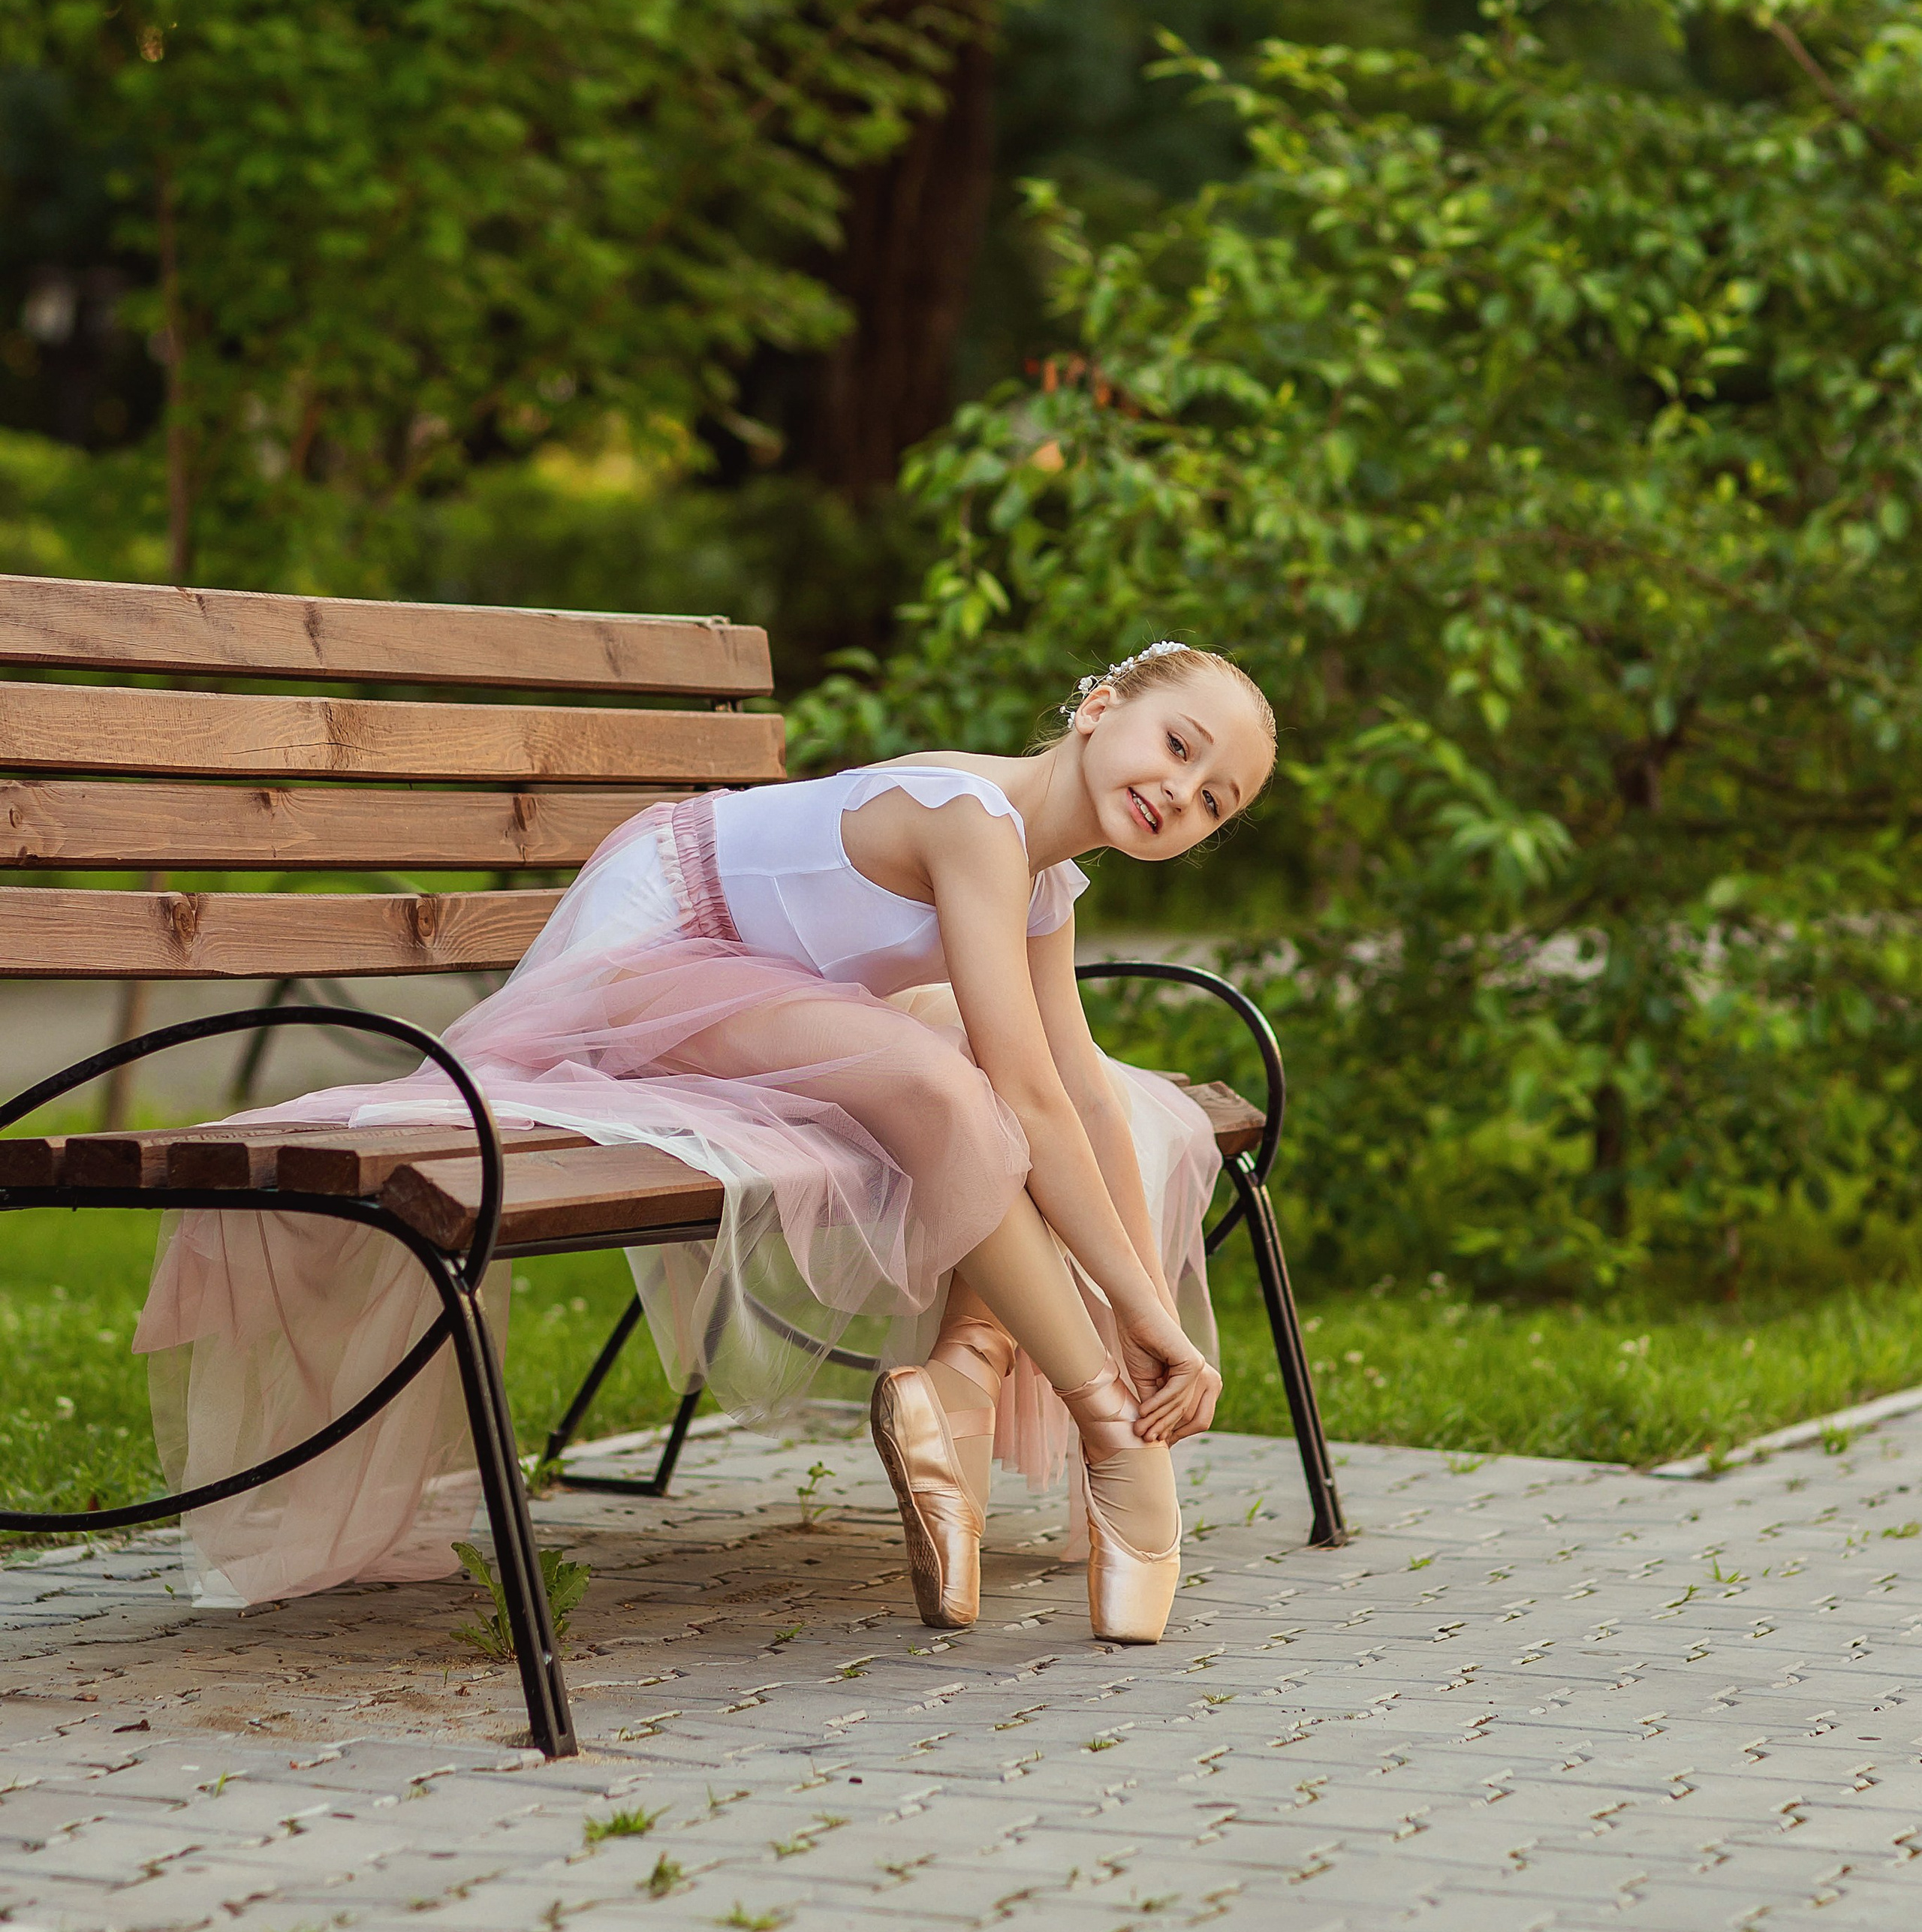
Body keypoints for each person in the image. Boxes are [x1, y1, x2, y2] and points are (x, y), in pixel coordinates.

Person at [135, 641, 1276, 1647]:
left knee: (1074, 1095)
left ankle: (979, 1391)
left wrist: (1156, 1313)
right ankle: (1111, 1430)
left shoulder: (1044, 880)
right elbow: (1026, 1098)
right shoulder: (970, 819)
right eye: (1176, 746)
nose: (1179, 791)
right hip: (648, 964)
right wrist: (1126, 1323)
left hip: (767, 989)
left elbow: (1070, 1088)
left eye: (1214, 799)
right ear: (1098, 708)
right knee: (946, 1085)